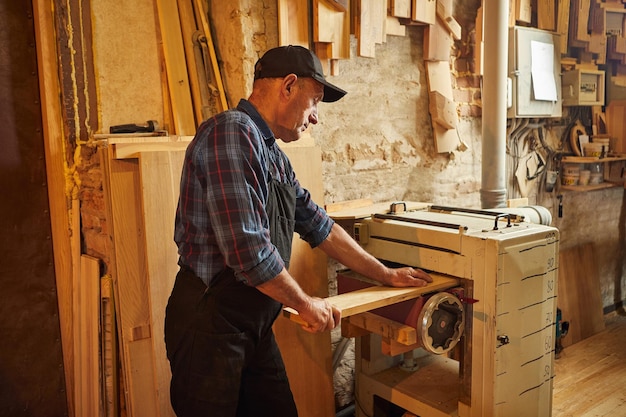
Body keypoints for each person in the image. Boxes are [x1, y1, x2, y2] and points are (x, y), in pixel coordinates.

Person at [164, 45, 433, 417]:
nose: (316, 118)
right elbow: (249, 252)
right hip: (209, 325)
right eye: (315, 102)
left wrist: (385, 274)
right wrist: (306, 305)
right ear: (288, 86)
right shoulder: (231, 133)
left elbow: (319, 225)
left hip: (252, 324)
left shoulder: (272, 155)